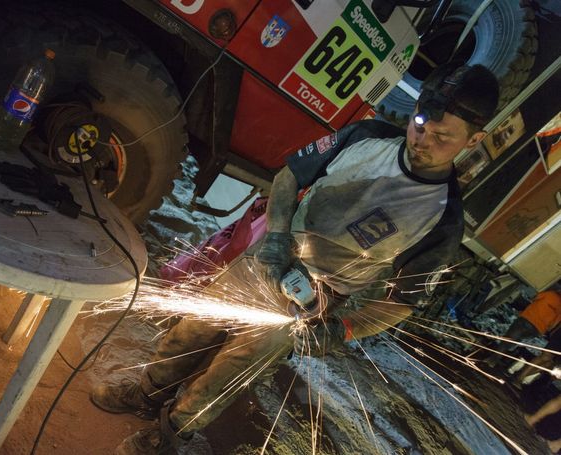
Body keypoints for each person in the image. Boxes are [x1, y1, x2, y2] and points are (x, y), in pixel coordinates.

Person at [91, 63, 500, 454]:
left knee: (233, 367)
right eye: (420, 124)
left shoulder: (444, 219)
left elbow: (399, 304)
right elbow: (288, 177)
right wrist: (278, 235)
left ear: (474, 140)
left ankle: (171, 432)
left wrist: (342, 330)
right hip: (272, 256)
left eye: (442, 137)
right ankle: (146, 392)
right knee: (195, 326)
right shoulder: (365, 137)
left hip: (313, 300)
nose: (421, 141)